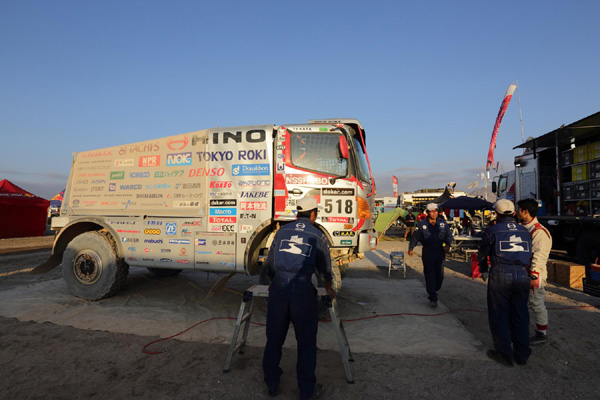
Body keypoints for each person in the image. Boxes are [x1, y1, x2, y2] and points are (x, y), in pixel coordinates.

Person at [262, 196, 336, 399]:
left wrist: (274, 283)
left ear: (297, 214)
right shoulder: (317, 235)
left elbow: (270, 263)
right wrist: (329, 287)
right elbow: (325, 268)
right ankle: (306, 391)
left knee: (274, 338)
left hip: (279, 288)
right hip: (302, 290)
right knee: (306, 341)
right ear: (313, 214)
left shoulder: (282, 231)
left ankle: (271, 383)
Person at [477, 199, 533, 367]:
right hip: (522, 274)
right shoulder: (525, 231)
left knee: (499, 314)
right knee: (520, 314)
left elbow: (482, 252)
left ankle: (504, 353)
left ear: (496, 214)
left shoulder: (492, 230)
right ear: (514, 213)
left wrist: (483, 268)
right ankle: (522, 354)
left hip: (501, 273)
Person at [517, 198, 553, 345]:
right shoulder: (525, 228)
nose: (516, 212)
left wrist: (534, 276)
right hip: (522, 273)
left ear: (525, 211)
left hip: (533, 274)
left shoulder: (539, 232)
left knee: (536, 303)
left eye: (518, 209)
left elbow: (539, 256)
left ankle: (541, 334)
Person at [408, 203, 453, 307]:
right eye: (432, 211)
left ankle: (434, 289)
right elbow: (415, 237)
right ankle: (433, 297)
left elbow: (448, 235)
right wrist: (411, 248)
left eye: (436, 211)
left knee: (439, 274)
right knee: (429, 274)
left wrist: (448, 244)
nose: (434, 213)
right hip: (428, 252)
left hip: (439, 252)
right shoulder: (422, 224)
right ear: (427, 212)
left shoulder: (442, 223)